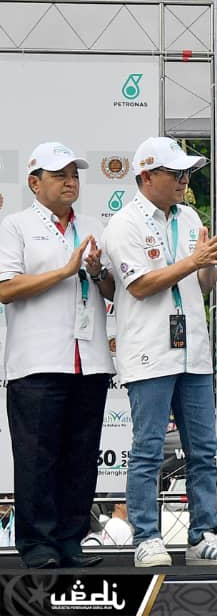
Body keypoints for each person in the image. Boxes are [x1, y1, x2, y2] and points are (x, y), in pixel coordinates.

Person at [104, 136, 217, 567]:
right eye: (176, 173)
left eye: (187, 173)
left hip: (193, 350)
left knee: (203, 449)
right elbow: (140, 286)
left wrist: (208, 267)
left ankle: (203, 535)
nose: (185, 180)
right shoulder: (124, 224)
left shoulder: (188, 217)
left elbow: (200, 286)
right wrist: (192, 262)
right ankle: (146, 536)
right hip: (149, 350)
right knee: (148, 449)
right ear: (147, 176)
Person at [0, 142, 114, 569]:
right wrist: (64, 272)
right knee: (37, 459)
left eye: (74, 175)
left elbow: (112, 291)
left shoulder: (93, 226)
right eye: (59, 175)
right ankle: (38, 545)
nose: (70, 182)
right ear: (34, 183)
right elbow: (5, 288)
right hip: (37, 361)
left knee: (81, 458)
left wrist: (97, 273)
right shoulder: (16, 226)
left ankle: (70, 541)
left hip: (90, 360)